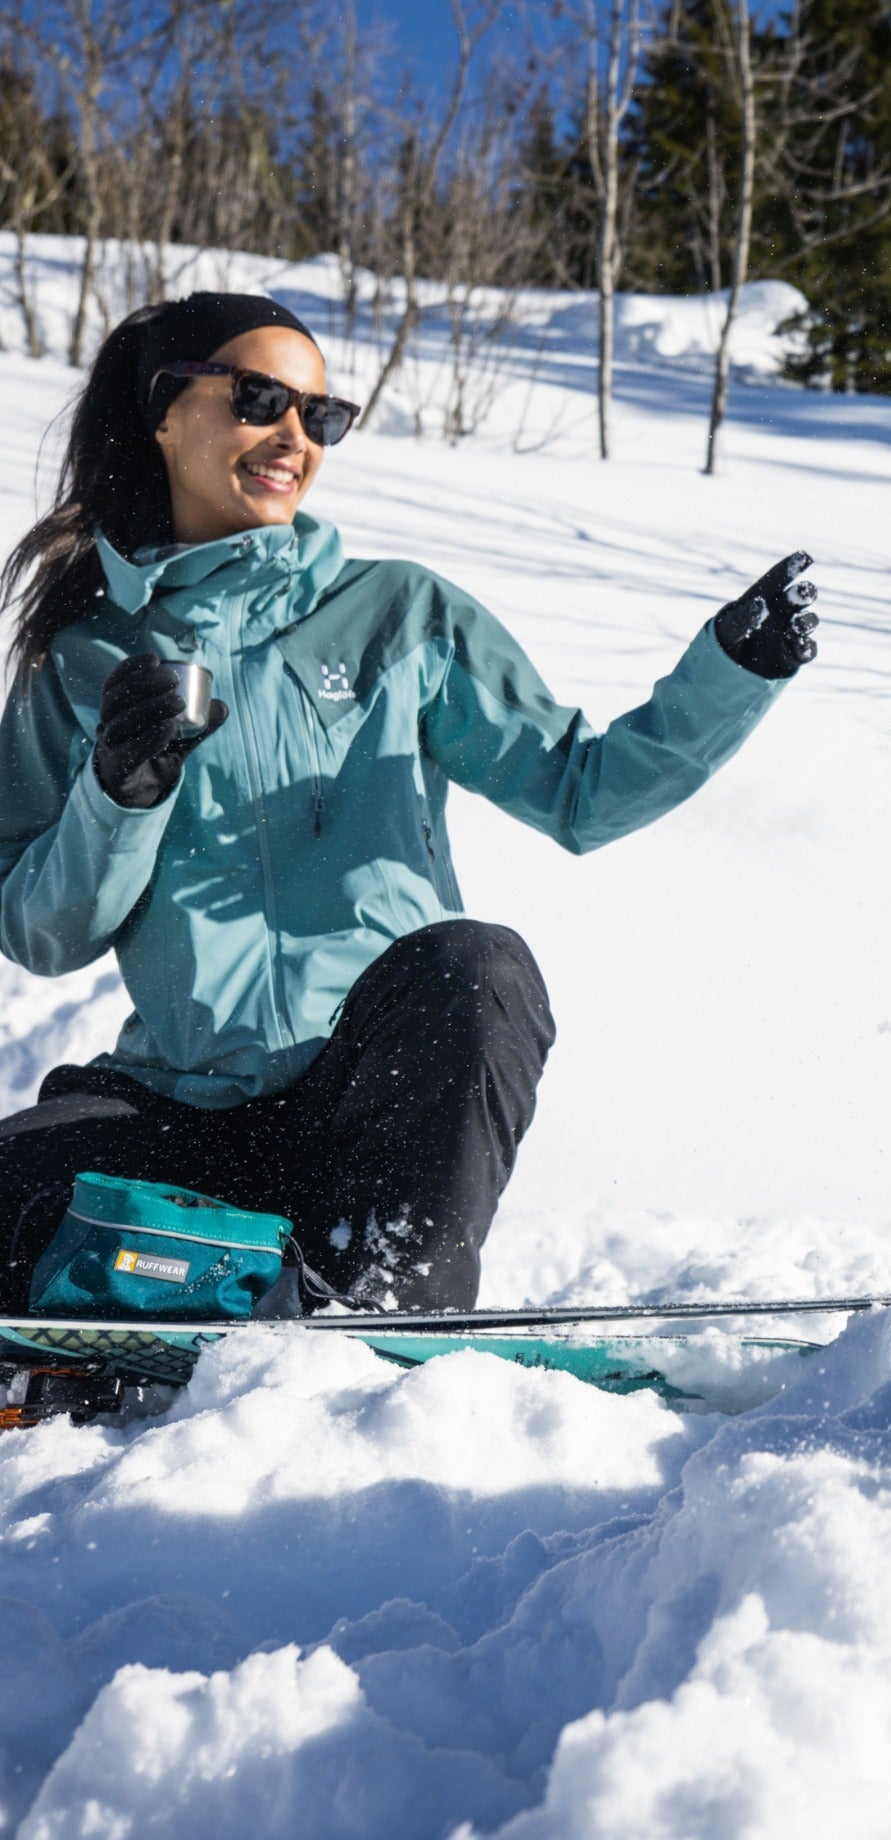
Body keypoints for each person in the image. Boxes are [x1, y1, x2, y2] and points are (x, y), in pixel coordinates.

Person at [0, 291, 818, 1312]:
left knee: (476, 966)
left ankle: (386, 1303)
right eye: (260, 398)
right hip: (183, 1106)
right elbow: (40, 932)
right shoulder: (86, 658)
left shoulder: (399, 616)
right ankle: (198, 1290)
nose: (294, 435)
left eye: (320, 415)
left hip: (370, 1107)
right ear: (165, 410)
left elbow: (581, 793)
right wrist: (119, 795)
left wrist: (728, 673)